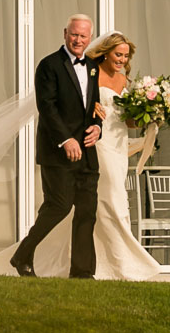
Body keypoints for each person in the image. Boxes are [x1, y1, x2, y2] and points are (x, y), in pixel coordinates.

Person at [0, 30, 161, 282]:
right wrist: (90, 114)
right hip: (97, 145)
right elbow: (71, 105)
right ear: (106, 53)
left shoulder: (125, 81)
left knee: (100, 206)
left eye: (126, 56)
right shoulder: (90, 72)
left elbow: (128, 121)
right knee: (108, 201)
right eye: (118, 54)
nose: (122, 60)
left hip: (117, 146)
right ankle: (123, 264)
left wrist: (151, 116)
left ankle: (91, 268)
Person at [6, 14, 101, 279]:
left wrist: (97, 128)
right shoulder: (48, 65)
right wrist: (66, 139)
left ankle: (82, 273)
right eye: (74, 34)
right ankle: (23, 254)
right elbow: (46, 107)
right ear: (65, 33)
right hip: (57, 152)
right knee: (58, 206)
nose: (78, 40)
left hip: (88, 154)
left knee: (87, 212)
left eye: (83, 36)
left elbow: (94, 106)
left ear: (90, 38)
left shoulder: (93, 66)